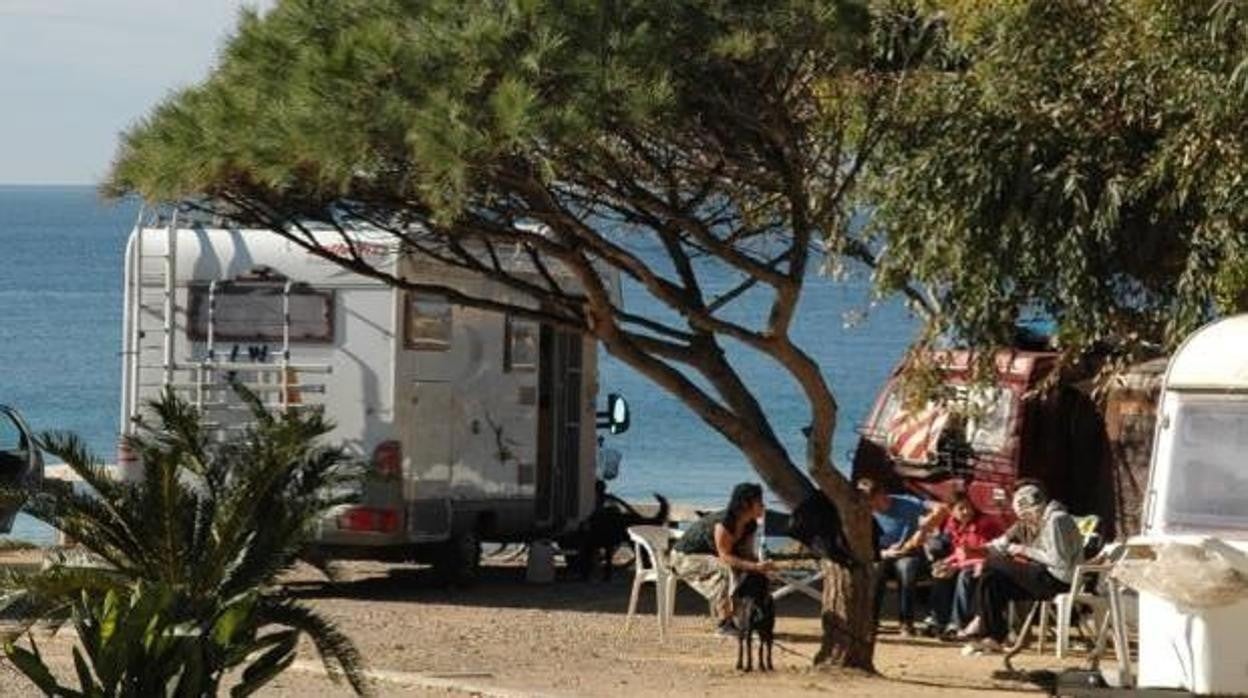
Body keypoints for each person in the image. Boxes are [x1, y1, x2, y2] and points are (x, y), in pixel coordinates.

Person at [960, 483, 1084, 654]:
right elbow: (999, 545)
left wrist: (1023, 550)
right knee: (992, 580)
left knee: (992, 564)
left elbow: (1059, 561)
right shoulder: (1032, 523)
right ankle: (991, 638)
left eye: (1026, 516)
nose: (1026, 521)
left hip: (1058, 580)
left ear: (1033, 509)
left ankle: (979, 618)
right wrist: (972, 551)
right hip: (1045, 575)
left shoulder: (1057, 520)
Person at [671, 482, 775, 636]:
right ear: (746, 504)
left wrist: (760, 567)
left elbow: (747, 554)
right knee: (725, 569)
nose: (763, 506)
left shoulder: (750, 524)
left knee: (753, 575)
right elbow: (725, 555)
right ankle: (724, 622)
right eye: (759, 502)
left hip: (712, 557)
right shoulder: (725, 523)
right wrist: (754, 566)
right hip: (684, 558)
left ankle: (751, 619)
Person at [859, 478, 946, 636]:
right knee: (876, 569)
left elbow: (939, 507)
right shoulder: (863, 511)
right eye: (869, 502)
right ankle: (870, 619)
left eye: (875, 499)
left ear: (882, 494)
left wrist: (927, 525)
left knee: (907, 568)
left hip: (908, 551)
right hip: (880, 552)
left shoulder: (906, 502)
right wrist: (884, 553)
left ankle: (906, 621)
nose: (874, 506)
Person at [925, 492, 1005, 639]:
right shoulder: (953, 524)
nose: (966, 512)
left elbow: (985, 554)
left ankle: (958, 624)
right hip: (967, 563)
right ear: (951, 511)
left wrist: (957, 566)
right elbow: (959, 551)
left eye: (968, 508)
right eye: (961, 509)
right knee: (941, 574)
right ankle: (939, 620)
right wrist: (946, 562)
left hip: (989, 564)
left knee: (965, 575)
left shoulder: (984, 524)